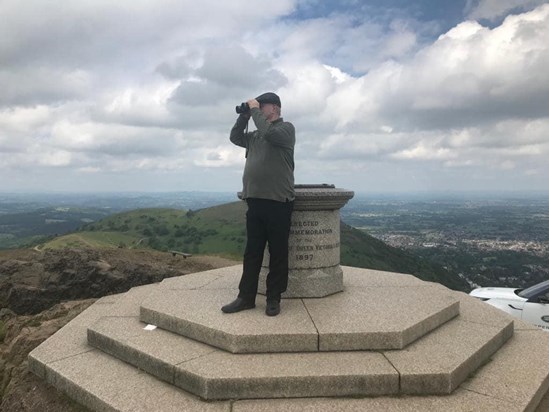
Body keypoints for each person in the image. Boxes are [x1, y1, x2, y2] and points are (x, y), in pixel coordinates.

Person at [222, 92, 295, 317]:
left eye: (262, 106)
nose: (259, 109)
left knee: (278, 252)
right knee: (252, 252)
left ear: (274, 108)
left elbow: (270, 133)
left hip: (278, 202)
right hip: (255, 201)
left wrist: (253, 110)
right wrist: (244, 116)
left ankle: (274, 298)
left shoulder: (286, 130)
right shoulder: (254, 136)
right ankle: (246, 297)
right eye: (258, 106)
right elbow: (235, 137)